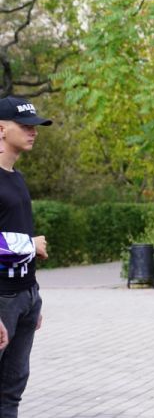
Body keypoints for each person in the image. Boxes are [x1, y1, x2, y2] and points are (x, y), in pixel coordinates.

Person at [0, 96, 51, 417]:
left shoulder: (15, 177)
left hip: (24, 297)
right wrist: (30, 246)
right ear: (1, 129)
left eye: (35, 126)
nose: (33, 131)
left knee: (12, 389)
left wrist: (34, 296)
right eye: (24, 126)